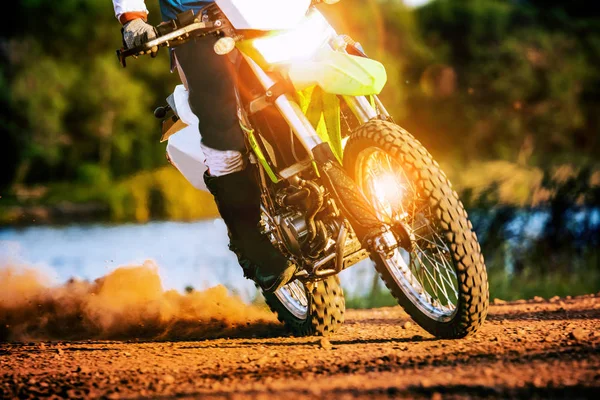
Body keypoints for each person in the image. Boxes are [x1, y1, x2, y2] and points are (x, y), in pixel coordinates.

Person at [112, 0, 297, 292]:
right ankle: (249, 241)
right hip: (194, 28)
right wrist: (132, 18)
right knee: (220, 122)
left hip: (258, 14)